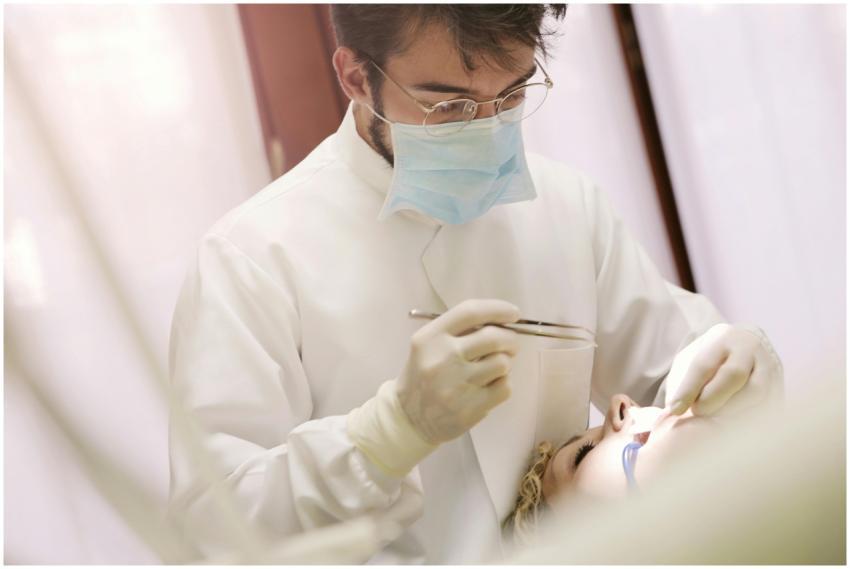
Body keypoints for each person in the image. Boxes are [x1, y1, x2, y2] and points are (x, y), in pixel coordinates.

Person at [167, 5, 783, 563]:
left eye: (512, 93)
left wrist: (740, 370)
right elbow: (212, 529)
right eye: (450, 106)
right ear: (356, 77)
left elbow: (676, 398)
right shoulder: (251, 260)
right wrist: (385, 436)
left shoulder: (567, 206)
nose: (487, 128)